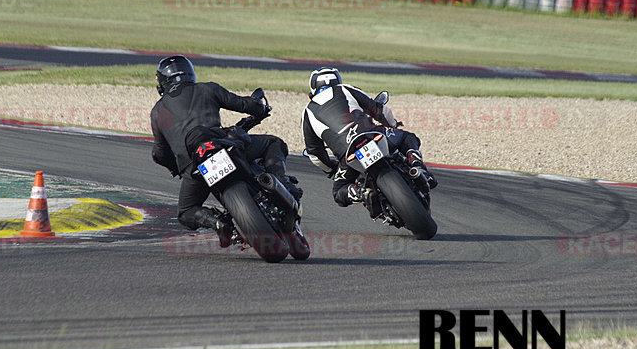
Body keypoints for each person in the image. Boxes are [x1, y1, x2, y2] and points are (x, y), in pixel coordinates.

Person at [150, 55, 302, 247]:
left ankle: (218, 223)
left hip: (194, 167)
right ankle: (279, 184)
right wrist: (260, 107)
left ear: (163, 82)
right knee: (274, 143)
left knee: (186, 211)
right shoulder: (207, 88)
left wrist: (179, 168)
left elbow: (159, 153)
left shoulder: (157, 112)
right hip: (222, 145)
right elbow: (245, 104)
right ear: (190, 73)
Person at [301, 67, 436, 209]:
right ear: (338, 80)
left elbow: (315, 152)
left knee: (338, 192)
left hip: (348, 153)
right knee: (407, 138)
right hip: (373, 135)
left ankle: (359, 192)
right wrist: (393, 125)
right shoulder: (346, 89)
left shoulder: (307, 112)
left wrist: (331, 170)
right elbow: (380, 110)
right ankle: (417, 165)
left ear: (313, 87)